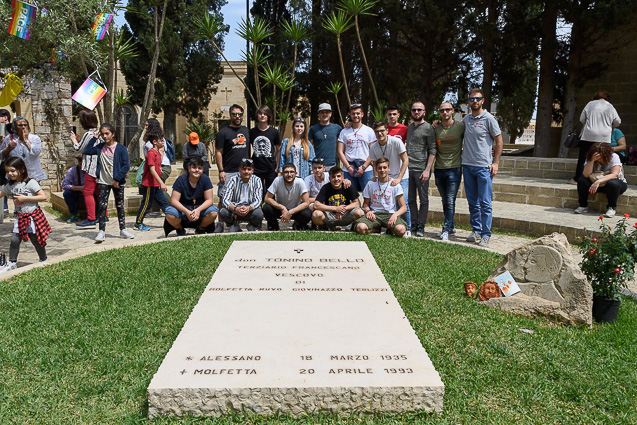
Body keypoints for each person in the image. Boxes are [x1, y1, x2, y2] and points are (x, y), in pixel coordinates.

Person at [462, 88, 503, 248]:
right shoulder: (466, 120)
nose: (474, 101)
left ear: (483, 100)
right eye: (472, 99)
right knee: (472, 202)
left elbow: (499, 141)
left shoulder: (489, 119)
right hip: (468, 166)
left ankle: (486, 235)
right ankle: (476, 230)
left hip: (484, 167)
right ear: (468, 101)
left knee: (485, 203)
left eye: (477, 99)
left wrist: (496, 162)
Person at [83, 124, 135, 242]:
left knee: (120, 206)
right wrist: (94, 138)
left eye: (107, 133)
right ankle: (101, 231)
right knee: (102, 206)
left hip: (117, 182)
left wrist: (117, 179)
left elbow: (126, 165)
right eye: (102, 134)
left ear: (113, 134)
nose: (105, 136)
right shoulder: (99, 147)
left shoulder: (121, 149)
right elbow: (87, 151)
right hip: (103, 181)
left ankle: (123, 230)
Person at [0, 157, 50, 273]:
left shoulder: (30, 183)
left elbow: (43, 197)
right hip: (20, 217)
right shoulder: (10, 185)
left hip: (32, 217)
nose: (10, 174)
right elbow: (1, 193)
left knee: (35, 239)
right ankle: (12, 263)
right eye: (7, 171)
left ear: (21, 170)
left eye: (12, 170)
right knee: (14, 240)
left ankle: (44, 259)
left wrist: (25, 198)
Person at [368, 120, 410, 237]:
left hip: (401, 175)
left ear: (387, 131)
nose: (380, 134)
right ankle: (385, 227)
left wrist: (399, 178)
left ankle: (408, 228)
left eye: (382, 131)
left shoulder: (396, 141)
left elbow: (406, 160)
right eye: (377, 132)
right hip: (384, 175)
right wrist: (375, 177)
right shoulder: (373, 147)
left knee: (403, 201)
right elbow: (375, 163)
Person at [215, 104, 250, 232]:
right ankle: (220, 224)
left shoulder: (246, 131)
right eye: (234, 114)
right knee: (223, 198)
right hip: (228, 171)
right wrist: (221, 170)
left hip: (243, 172)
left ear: (242, 115)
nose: (237, 116)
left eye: (239, 114)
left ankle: (235, 224)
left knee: (238, 199)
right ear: (230, 115)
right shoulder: (223, 132)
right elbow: (218, 152)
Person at [434, 102, 464, 241]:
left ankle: (445, 230)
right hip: (439, 169)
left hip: (454, 168)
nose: (445, 112)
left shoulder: (460, 127)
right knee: (445, 200)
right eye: (442, 111)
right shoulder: (435, 128)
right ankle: (451, 225)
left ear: (452, 111)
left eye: (447, 110)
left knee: (450, 200)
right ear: (439, 113)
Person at [575, 90, 621, 182]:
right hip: (603, 137)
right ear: (607, 98)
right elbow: (618, 122)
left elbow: (582, 119)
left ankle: (578, 178)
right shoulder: (610, 106)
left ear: (595, 97)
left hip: (588, 135)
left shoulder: (590, 104)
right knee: (601, 157)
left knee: (583, 157)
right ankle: (598, 177)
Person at [165, 157, 218, 236]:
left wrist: (198, 210)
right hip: (183, 207)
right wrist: (187, 212)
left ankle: (201, 228)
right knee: (169, 213)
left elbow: (209, 200)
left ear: (202, 169)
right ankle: (179, 229)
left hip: (200, 206)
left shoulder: (205, 179)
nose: (197, 170)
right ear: (189, 168)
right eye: (194, 167)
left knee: (213, 212)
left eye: (199, 168)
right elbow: (174, 200)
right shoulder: (180, 180)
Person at [405, 101, 436, 237]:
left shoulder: (429, 128)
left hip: (421, 169)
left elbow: (433, 150)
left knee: (423, 200)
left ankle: (421, 226)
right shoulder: (410, 127)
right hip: (408, 169)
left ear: (424, 112)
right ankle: (413, 223)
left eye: (419, 110)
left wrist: (427, 169)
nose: (416, 112)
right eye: (414, 110)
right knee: (410, 199)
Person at [356, 158, 408, 237]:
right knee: (360, 228)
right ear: (376, 169)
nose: (382, 170)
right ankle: (375, 229)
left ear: (389, 169)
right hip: (375, 214)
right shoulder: (371, 184)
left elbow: (404, 207)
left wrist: (395, 215)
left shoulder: (395, 184)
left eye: (384, 167)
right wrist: (368, 211)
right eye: (379, 168)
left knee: (401, 230)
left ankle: (390, 229)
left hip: (390, 214)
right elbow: (365, 204)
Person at [574, 142, 627, 218]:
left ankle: (611, 207)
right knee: (582, 180)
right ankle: (583, 206)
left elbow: (615, 174)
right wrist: (591, 161)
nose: (599, 159)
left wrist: (598, 181)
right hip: (595, 183)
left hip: (614, 183)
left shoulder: (614, 157)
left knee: (613, 184)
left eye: (601, 156)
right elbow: (586, 174)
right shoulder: (590, 157)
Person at [70, 110, 101, 227]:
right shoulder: (99, 132)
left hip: (91, 168)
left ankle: (91, 218)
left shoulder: (89, 134)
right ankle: (104, 215)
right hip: (100, 167)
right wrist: (79, 141)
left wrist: (74, 140)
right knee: (99, 192)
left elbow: (79, 149)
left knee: (88, 192)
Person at [134, 128, 169, 231]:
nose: (163, 142)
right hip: (149, 184)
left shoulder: (157, 153)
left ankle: (173, 220)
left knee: (164, 203)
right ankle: (138, 223)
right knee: (146, 204)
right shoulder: (151, 153)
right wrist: (161, 183)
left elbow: (156, 168)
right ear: (154, 142)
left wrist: (160, 171)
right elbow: (152, 170)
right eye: (161, 140)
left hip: (156, 185)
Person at [337, 104, 375, 192]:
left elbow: (373, 151)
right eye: (353, 114)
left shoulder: (369, 131)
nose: (356, 116)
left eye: (358, 113)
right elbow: (340, 151)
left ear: (362, 114)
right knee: (349, 197)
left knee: (369, 196)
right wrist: (348, 167)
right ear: (350, 115)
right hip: (349, 168)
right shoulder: (344, 132)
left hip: (366, 168)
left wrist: (364, 167)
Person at [312, 166, 363, 231]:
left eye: (338, 176)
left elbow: (357, 203)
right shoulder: (325, 188)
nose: (336, 179)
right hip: (330, 215)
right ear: (329, 178)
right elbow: (316, 205)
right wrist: (336, 209)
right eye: (333, 177)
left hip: (345, 214)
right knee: (316, 214)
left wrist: (343, 209)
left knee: (360, 212)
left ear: (342, 177)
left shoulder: (347, 186)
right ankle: (323, 227)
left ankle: (353, 226)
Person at [219, 158, 264, 232]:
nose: (246, 172)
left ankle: (252, 225)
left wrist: (248, 208)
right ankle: (233, 225)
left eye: (249, 169)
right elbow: (225, 199)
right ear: (239, 169)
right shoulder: (233, 180)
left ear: (252, 171)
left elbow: (258, 200)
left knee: (259, 213)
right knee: (223, 212)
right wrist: (235, 208)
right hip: (236, 209)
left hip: (250, 208)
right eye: (244, 169)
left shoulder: (257, 180)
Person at [263, 163, 311, 231]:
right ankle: (273, 225)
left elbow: (306, 202)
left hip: (295, 210)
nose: (289, 175)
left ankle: (298, 225)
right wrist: (282, 208)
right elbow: (267, 198)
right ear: (282, 174)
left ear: (296, 173)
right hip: (280, 210)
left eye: (291, 172)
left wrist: (290, 212)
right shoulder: (277, 180)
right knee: (266, 208)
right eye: (286, 172)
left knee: (307, 213)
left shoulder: (300, 182)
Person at [1, 116, 46, 182]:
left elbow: (36, 152)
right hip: (15, 176)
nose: (23, 127)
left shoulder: (34, 138)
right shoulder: (9, 139)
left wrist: (26, 140)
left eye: (25, 125)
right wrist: (8, 148)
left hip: (32, 175)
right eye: (20, 125)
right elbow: (1, 155)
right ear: (14, 127)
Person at [250, 105, 281, 199]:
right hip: (256, 168)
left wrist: (277, 167)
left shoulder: (274, 132)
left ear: (269, 116)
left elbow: (279, 150)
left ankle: (270, 212)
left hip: (270, 168)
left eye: (265, 114)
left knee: (270, 195)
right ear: (257, 115)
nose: (262, 116)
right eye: (260, 113)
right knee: (256, 194)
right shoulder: (251, 132)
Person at [308, 103, 342, 170]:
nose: (324, 114)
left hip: (332, 164)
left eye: (327, 112)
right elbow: (309, 147)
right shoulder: (313, 129)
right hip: (318, 165)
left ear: (330, 114)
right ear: (319, 114)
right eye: (322, 112)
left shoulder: (337, 128)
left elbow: (345, 138)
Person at [143, 118, 174, 182]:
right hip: (153, 166)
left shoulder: (159, 138)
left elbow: (161, 152)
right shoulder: (150, 138)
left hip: (162, 166)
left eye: (147, 125)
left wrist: (159, 168)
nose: (145, 127)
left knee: (157, 186)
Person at [61, 154, 85, 223]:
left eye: (83, 160)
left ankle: (96, 213)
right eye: (80, 160)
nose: (81, 162)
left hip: (89, 191)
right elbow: (65, 185)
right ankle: (74, 214)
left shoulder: (92, 170)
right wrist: (79, 188)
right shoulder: (72, 170)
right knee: (67, 193)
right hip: (76, 191)